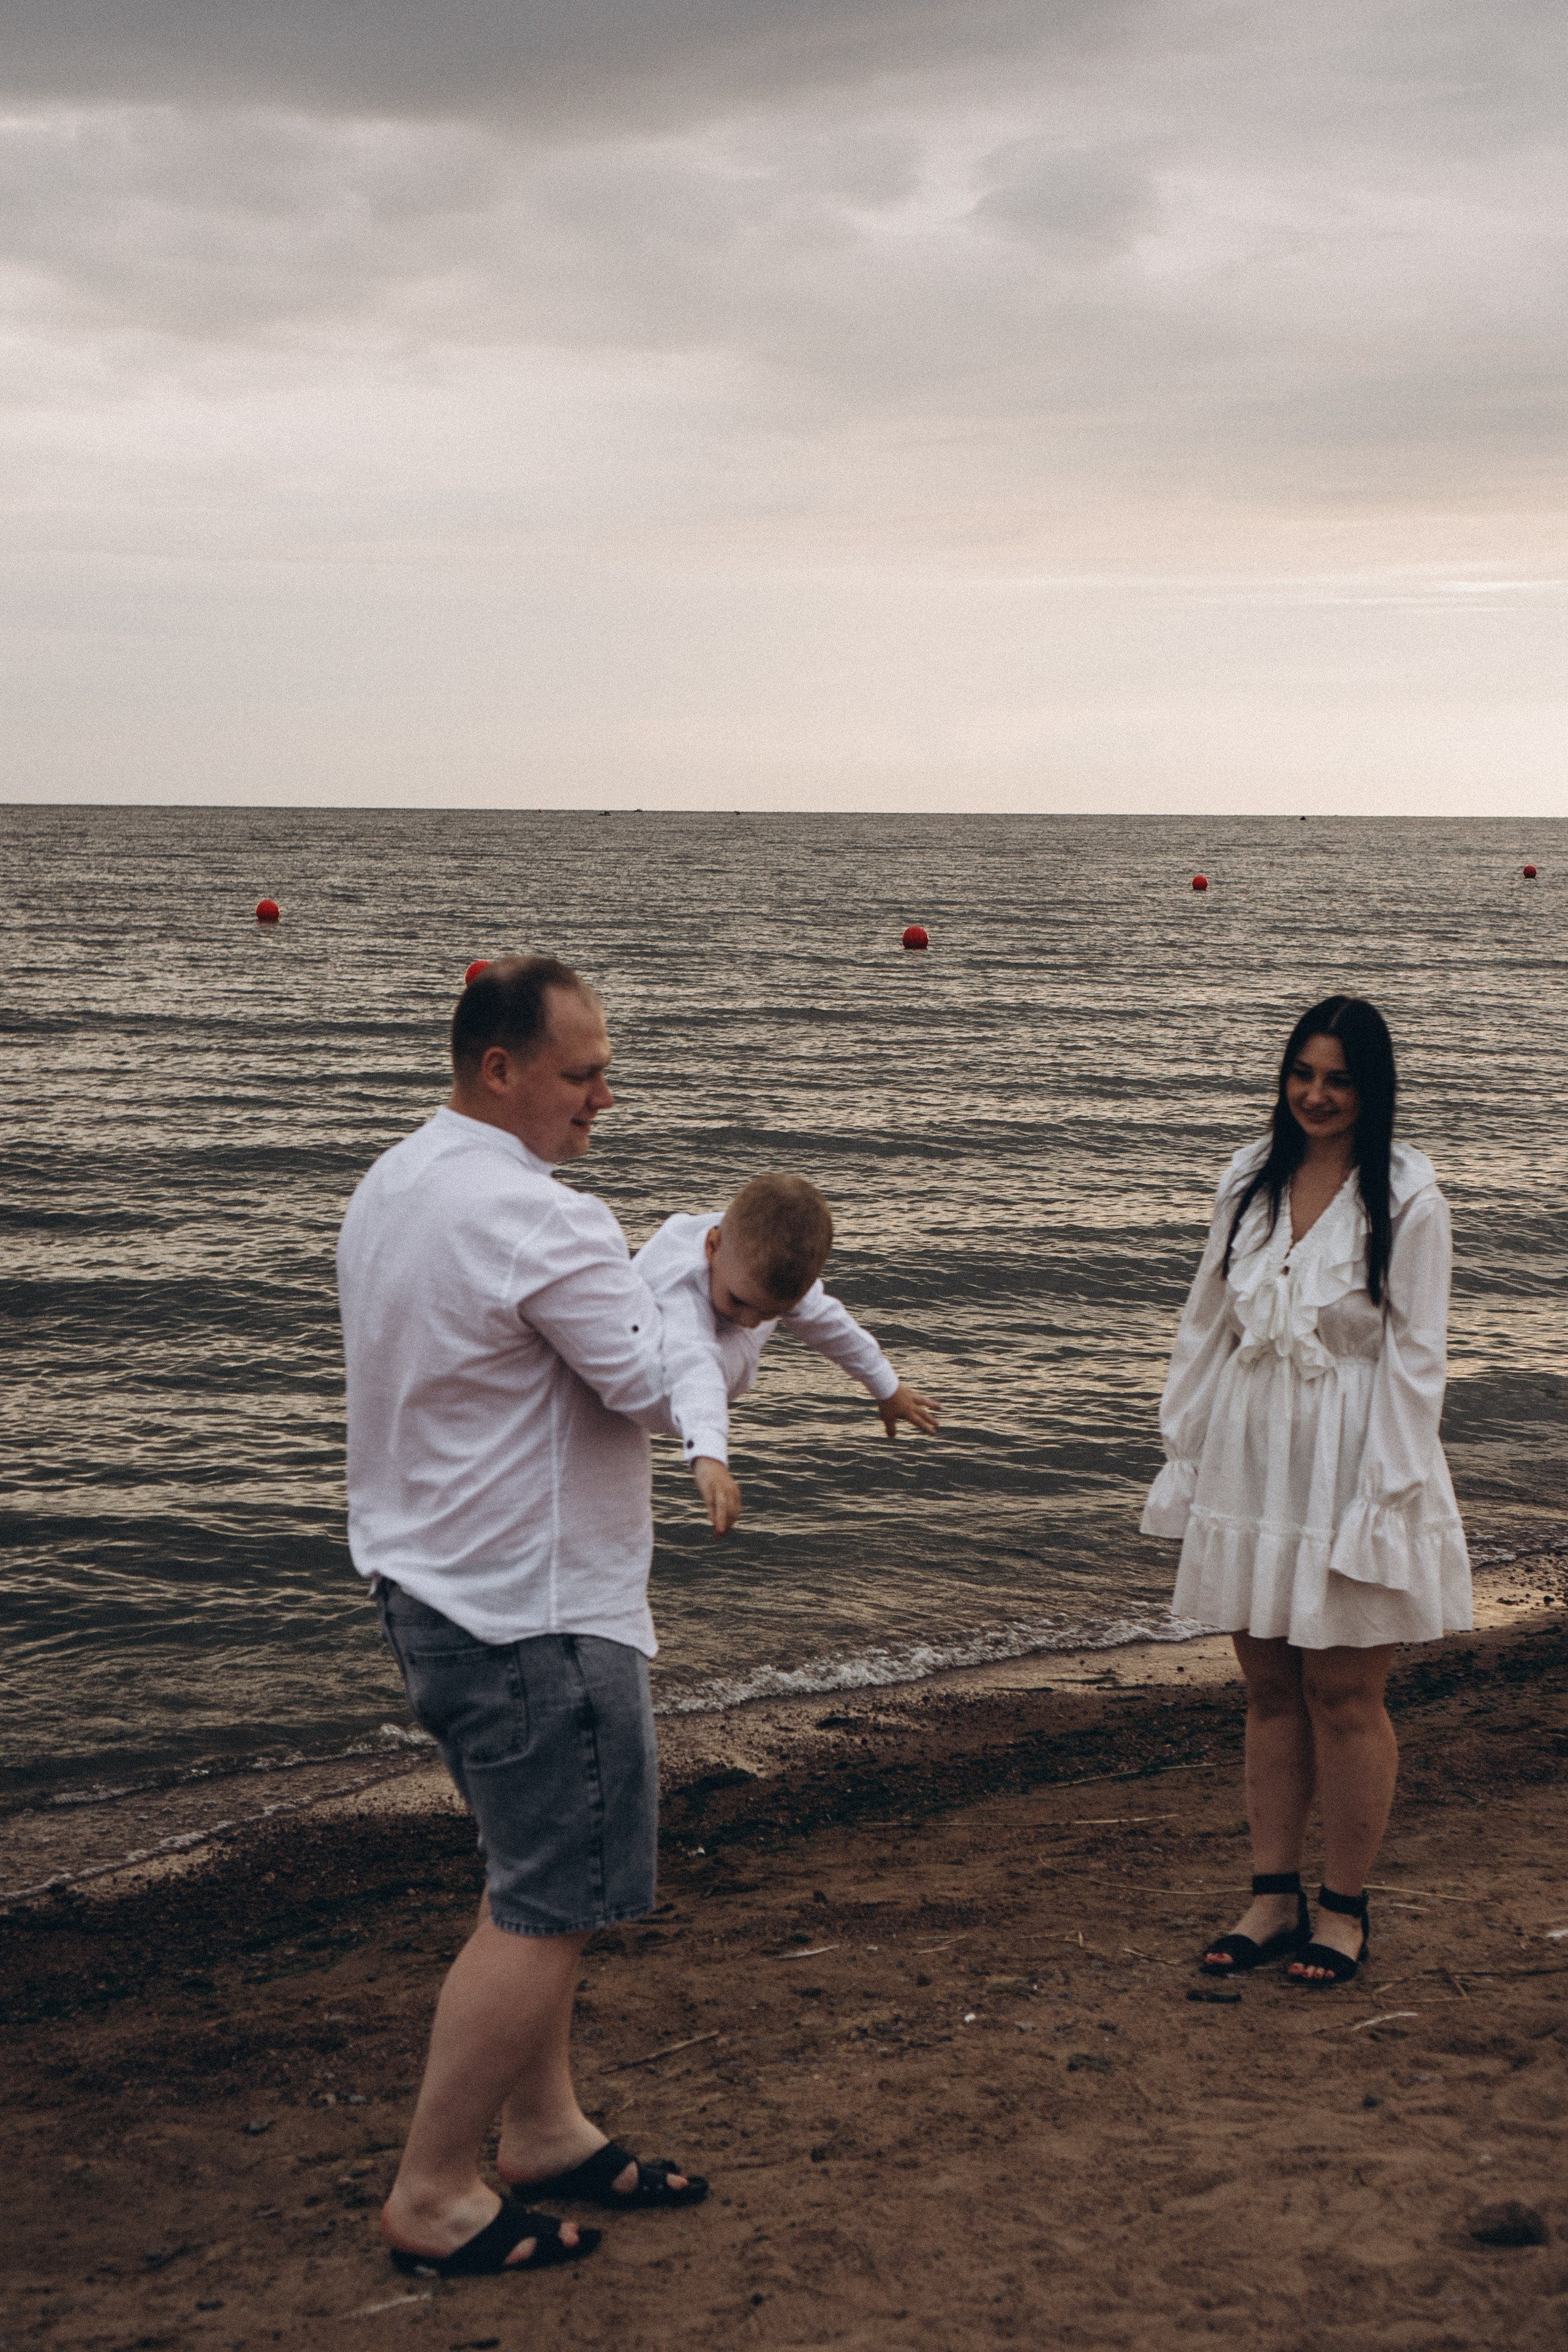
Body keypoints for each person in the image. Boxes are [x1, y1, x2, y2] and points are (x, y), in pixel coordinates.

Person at [337, 955, 706, 2282]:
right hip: (534, 1616)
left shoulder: (396, 1182)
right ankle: (435, 2191)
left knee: (526, 1880)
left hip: (429, 1593)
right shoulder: (541, 1219)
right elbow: (661, 1395)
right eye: (581, 1072)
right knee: (550, 1902)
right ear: (500, 1070)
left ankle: (543, 2131)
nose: (605, 1096)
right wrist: (733, 1297)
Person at [1140, 995, 1471, 1986]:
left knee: (1345, 1694)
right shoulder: (1248, 1176)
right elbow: (1206, 1323)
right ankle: (1272, 1895)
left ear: (1371, 1089)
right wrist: (1186, 1450)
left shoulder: (1409, 1197)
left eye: (1338, 1079)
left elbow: (1419, 1361)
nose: (1317, 1096)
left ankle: (1345, 1908)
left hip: (1355, 1458)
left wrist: (1389, 1497)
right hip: (1254, 1452)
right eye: (1303, 1074)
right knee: (1270, 1689)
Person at [635, 1174, 941, 1536]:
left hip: (720, 1316)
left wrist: (888, 1388)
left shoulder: (746, 1266)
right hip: (654, 1343)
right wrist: (709, 1459)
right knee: (708, 1361)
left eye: (767, 1313)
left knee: (811, 1314)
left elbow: (833, 1326)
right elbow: (694, 1367)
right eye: (740, 1301)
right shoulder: (681, 1286)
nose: (750, 1322)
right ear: (711, 1246)